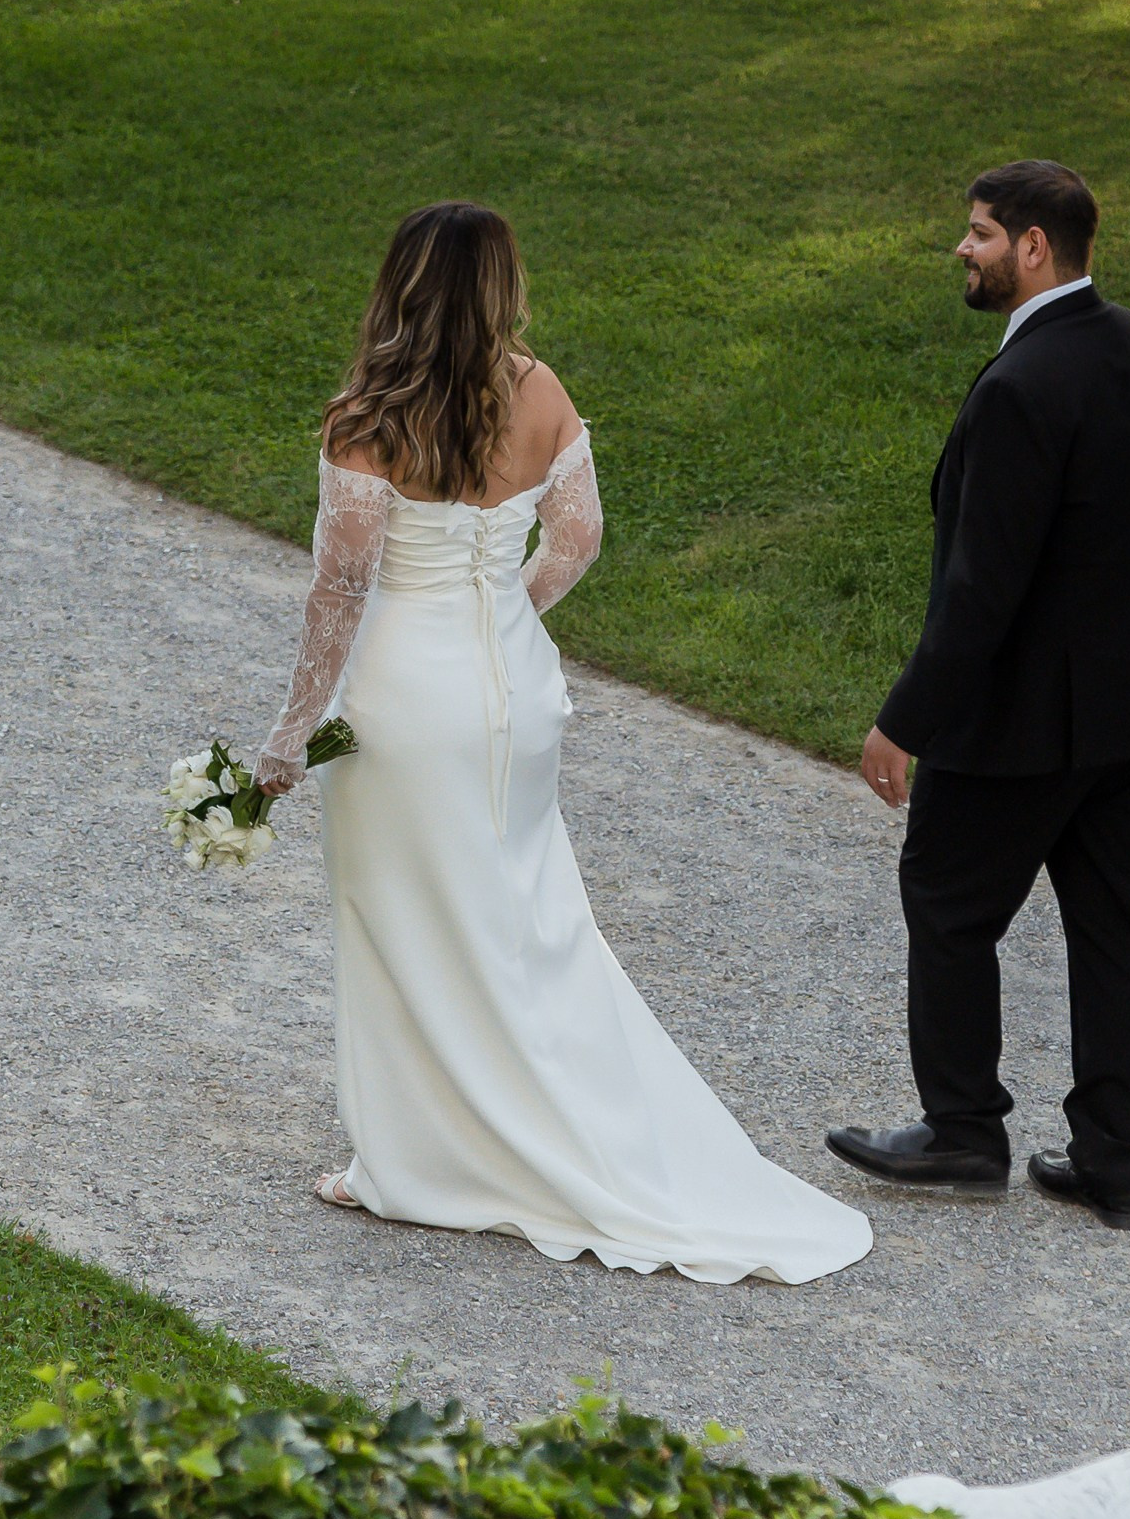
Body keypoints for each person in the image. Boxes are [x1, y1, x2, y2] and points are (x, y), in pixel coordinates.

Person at [256, 202, 872, 1285]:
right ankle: (539, 1123)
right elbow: (578, 537)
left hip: (407, 700)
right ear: (500, 286)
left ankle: (413, 1163)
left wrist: (287, 735)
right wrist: (504, 616)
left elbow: (342, 586)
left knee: (401, 915)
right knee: (522, 914)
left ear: (400, 283)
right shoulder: (539, 391)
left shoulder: (368, 414)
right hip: (515, 695)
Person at [826, 160, 1130, 1229]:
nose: (963, 249)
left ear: (1035, 248)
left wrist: (905, 720)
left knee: (946, 904)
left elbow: (984, 589)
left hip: (1028, 723)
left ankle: (962, 1131)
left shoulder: (1022, 386)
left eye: (979, 233)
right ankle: (1112, 1161)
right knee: (1108, 923)